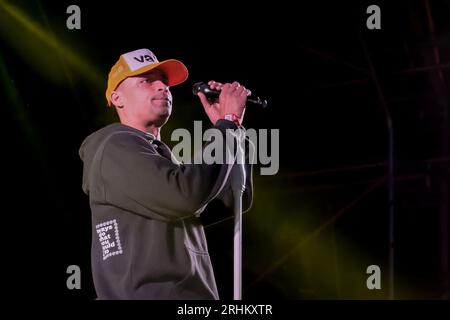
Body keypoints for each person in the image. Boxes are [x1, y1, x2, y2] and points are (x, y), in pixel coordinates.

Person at [79, 48, 253, 299]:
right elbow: (186, 195)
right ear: (118, 98)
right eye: (146, 81)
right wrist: (227, 123)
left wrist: (232, 129)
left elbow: (231, 201)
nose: (161, 87)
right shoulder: (113, 144)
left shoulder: (162, 159)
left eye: (164, 82)